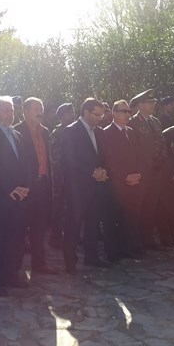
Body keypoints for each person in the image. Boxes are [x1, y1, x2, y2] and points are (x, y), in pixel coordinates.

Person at [0, 96, 30, 296]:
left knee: (15, 238)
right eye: (7, 110)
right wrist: (10, 188)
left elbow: (24, 163)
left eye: (12, 110)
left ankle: (10, 275)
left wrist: (25, 187)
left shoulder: (17, 134)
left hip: (18, 196)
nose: (11, 114)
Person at [62, 98, 111, 271]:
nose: (100, 118)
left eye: (101, 115)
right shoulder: (71, 131)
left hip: (96, 186)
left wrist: (103, 171)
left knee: (93, 223)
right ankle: (70, 262)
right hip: (78, 188)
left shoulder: (99, 132)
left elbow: (104, 156)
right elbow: (69, 160)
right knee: (73, 225)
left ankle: (92, 257)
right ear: (86, 112)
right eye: (97, 114)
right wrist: (92, 172)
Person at [15, 97, 58, 274]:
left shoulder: (45, 131)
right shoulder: (16, 131)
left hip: (43, 185)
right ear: (26, 112)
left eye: (41, 108)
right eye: (36, 109)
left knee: (39, 226)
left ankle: (39, 263)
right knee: (19, 228)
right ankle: (14, 268)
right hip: (25, 187)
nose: (40, 112)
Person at [102, 100, 142, 258]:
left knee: (129, 217)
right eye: (123, 111)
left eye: (128, 111)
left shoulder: (131, 132)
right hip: (115, 184)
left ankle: (127, 248)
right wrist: (124, 176)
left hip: (133, 183)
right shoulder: (106, 133)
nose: (127, 114)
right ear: (114, 113)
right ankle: (112, 251)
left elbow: (138, 155)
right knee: (111, 218)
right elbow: (108, 160)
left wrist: (138, 174)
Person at [129, 89, 168, 246]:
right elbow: (134, 148)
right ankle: (136, 239)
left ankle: (148, 237)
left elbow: (162, 143)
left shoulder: (155, 122)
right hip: (142, 171)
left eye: (154, 102)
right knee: (139, 205)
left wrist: (161, 159)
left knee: (151, 204)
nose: (153, 105)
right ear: (140, 105)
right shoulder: (133, 122)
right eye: (149, 102)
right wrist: (148, 163)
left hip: (156, 170)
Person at [49, 103, 74, 251]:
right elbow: (55, 159)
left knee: (69, 208)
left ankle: (70, 237)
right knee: (58, 208)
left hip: (72, 178)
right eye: (69, 113)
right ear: (62, 116)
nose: (72, 115)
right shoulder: (57, 133)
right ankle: (56, 238)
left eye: (73, 112)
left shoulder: (74, 131)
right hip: (60, 178)